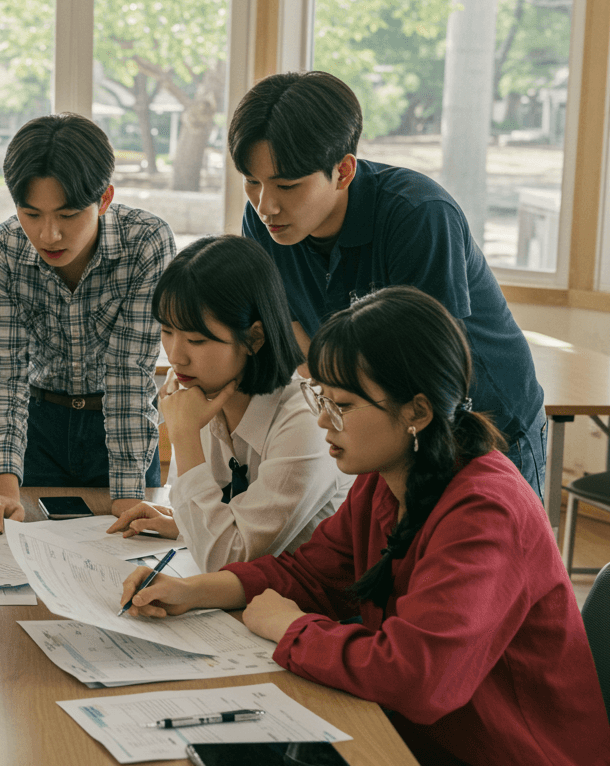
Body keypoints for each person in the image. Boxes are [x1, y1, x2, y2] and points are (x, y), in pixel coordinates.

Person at [122, 286, 610, 765]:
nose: (324, 423)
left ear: (416, 411)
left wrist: (292, 628)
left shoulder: (486, 511)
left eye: (345, 406)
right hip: (419, 737)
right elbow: (311, 575)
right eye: (322, 398)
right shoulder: (387, 477)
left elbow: (419, 678)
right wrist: (192, 591)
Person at [229, 70, 547, 499]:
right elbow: (288, 328)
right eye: (252, 182)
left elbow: (433, 370)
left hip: (485, 424)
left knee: (481, 557)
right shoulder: (264, 223)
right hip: (383, 425)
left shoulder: (419, 215)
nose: (266, 205)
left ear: (342, 171)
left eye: (287, 185)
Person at [0, 113, 173, 536]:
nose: (48, 234)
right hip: (39, 428)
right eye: (31, 213)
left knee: (127, 552)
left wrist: (129, 500)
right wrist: (3, 489)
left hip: (120, 425)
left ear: (104, 198)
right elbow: (3, 375)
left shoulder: (146, 243)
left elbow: (130, 374)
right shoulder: (3, 249)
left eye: (69, 214)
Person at [105, 235, 350, 570]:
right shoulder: (204, 398)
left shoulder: (305, 423)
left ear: (253, 338)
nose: (176, 356)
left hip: (312, 612)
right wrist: (184, 523)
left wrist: (185, 436)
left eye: (196, 340)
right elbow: (233, 525)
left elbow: (230, 559)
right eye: (167, 331)